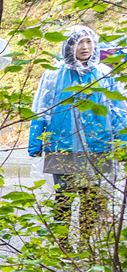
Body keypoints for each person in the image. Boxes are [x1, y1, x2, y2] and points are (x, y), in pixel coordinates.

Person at [28, 25, 126, 247]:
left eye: (89, 41)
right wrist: (36, 140)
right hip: (61, 145)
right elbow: (41, 109)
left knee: (91, 198)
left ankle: (85, 243)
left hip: (98, 145)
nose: (85, 47)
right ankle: (63, 244)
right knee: (63, 197)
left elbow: (118, 110)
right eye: (79, 42)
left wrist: (123, 142)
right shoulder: (53, 75)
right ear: (68, 46)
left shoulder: (104, 74)